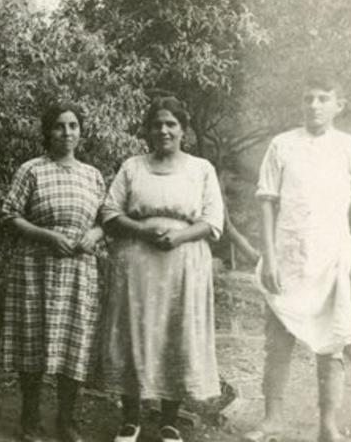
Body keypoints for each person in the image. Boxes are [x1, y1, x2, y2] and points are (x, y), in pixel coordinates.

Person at [242, 76, 351, 442]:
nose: (314, 106)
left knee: (331, 344)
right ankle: (273, 419)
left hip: (331, 258)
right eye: (308, 99)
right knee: (278, 342)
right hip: (287, 256)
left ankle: (327, 425)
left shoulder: (350, 147)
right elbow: (267, 201)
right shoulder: (282, 144)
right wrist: (270, 257)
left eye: (323, 99)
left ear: (339, 105)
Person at [100, 97, 224, 442]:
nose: (164, 130)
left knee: (176, 332)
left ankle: (169, 421)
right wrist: (142, 230)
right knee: (134, 333)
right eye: (157, 124)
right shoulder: (132, 167)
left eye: (171, 124)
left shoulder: (201, 169)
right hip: (136, 262)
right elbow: (109, 212)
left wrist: (180, 235)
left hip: (184, 262)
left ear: (184, 130)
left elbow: (213, 220)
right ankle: (131, 419)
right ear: (148, 130)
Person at [0, 104, 106, 442]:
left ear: (81, 131)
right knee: (32, 337)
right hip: (36, 266)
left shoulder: (92, 175)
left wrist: (94, 235)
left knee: (75, 340)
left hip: (79, 268)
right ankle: (30, 419)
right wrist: (48, 236)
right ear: (48, 132)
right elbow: (9, 215)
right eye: (59, 126)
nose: (67, 132)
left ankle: (66, 420)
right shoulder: (32, 170)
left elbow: (106, 219)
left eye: (73, 125)